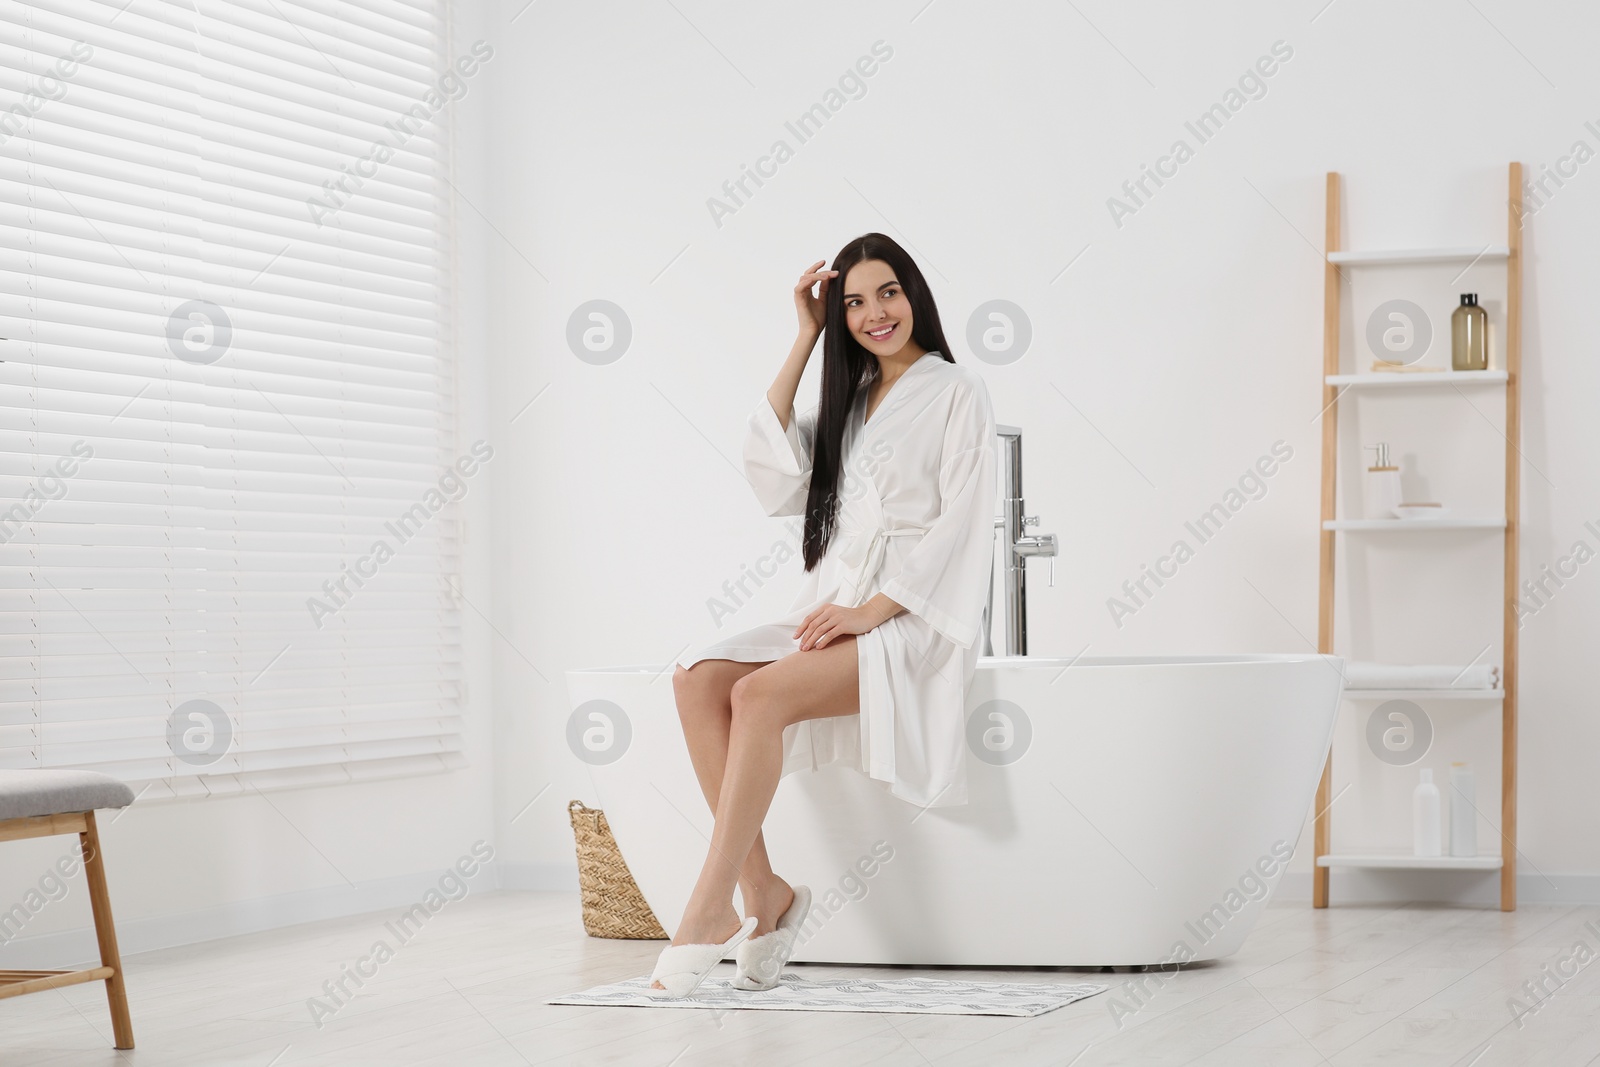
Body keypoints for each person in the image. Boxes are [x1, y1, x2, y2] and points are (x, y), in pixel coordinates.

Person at [648, 232, 998, 997]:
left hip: (911, 617)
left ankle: (711, 909)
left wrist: (872, 610)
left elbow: (963, 523)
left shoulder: (957, 391)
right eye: (854, 303)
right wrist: (804, 338)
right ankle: (765, 895)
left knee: (759, 695)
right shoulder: (854, 397)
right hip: (836, 608)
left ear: (915, 293)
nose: (875, 313)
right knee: (696, 678)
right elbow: (775, 477)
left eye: (888, 292)